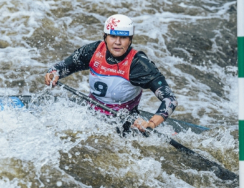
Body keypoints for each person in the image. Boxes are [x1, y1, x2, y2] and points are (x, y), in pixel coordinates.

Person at [44, 14, 178, 132]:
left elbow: (170, 99)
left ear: (130, 40)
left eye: (123, 37)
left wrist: (152, 123)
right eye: (113, 36)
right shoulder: (93, 51)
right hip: (89, 115)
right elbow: (62, 66)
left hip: (122, 123)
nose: (118, 42)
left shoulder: (139, 65)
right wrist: (54, 73)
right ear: (105, 37)